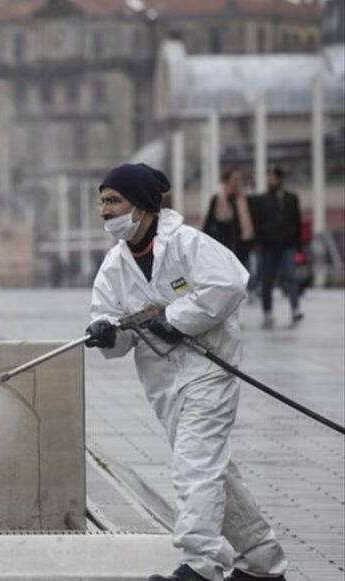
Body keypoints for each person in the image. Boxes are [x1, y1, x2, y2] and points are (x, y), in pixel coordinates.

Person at [84, 163, 288, 581]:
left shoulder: (186, 244)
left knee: (194, 466)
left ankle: (200, 565)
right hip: (164, 384)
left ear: (141, 206)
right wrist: (106, 334)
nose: (104, 210)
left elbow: (230, 285)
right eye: (102, 201)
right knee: (212, 470)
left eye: (113, 200)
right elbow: (113, 324)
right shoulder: (115, 266)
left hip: (207, 372)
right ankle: (263, 562)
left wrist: (176, 318)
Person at [251, 166, 303, 328]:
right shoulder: (261, 200)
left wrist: (298, 245)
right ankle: (267, 312)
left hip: (287, 245)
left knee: (290, 277)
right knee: (267, 280)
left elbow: (297, 222)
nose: (270, 181)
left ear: (280, 180)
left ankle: (295, 309)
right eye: (268, 178)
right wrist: (258, 243)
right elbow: (257, 223)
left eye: (273, 178)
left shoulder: (291, 198)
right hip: (268, 247)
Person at [202, 168, 254, 267]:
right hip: (222, 244)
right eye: (234, 179)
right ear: (227, 181)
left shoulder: (242, 199)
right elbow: (209, 222)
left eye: (239, 179)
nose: (237, 182)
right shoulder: (218, 199)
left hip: (241, 245)